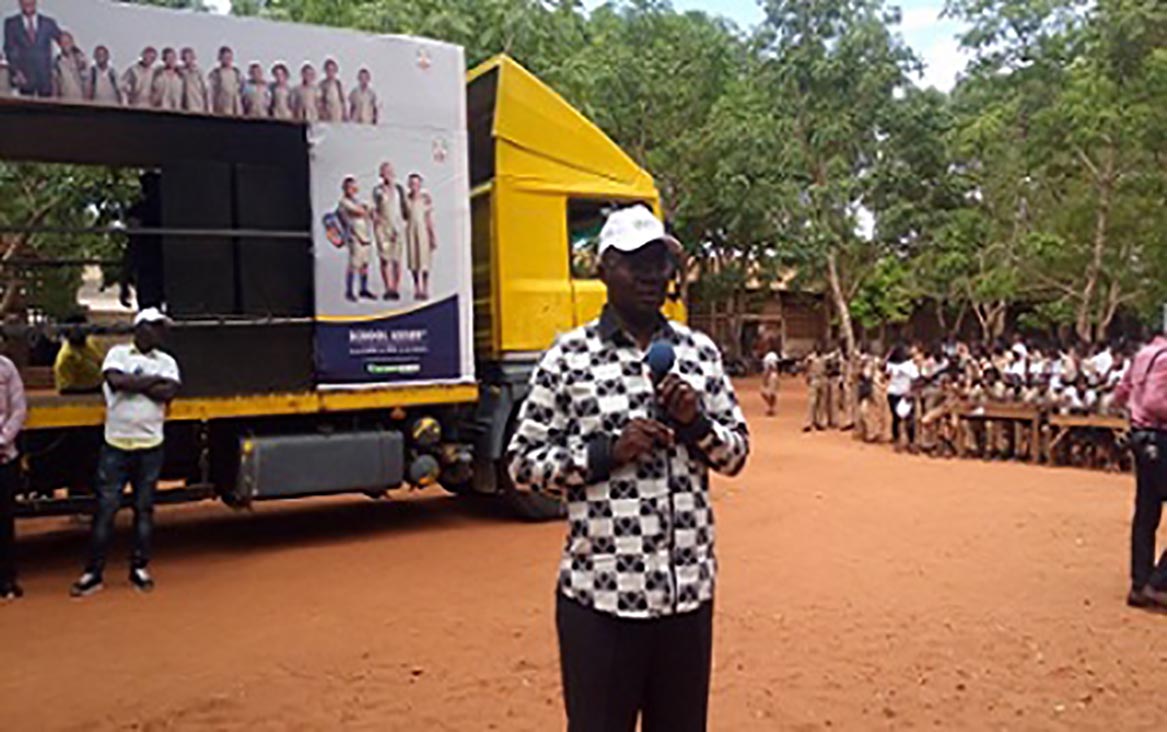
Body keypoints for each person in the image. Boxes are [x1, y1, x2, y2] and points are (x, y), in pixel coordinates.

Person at [507, 204, 749, 732]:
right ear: (603, 269)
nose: (649, 274)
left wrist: (695, 424)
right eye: (634, 261)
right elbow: (523, 465)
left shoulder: (698, 352)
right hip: (602, 600)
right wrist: (605, 453)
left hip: (686, 599)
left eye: (659, 261)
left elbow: (736, 455)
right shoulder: (568, 358)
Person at [71, 308, 180, 598]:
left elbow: (169, 391)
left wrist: (134, 384)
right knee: (106, 509)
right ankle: (93, 572)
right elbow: (115, 382)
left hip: (150, 445)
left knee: (144, 509)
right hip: (116, 444)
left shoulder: (167, 361)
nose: (160, 333)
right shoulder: (117, 354)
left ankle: (139, 568)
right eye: (156, 326)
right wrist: (151, 382)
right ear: (140, 328)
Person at [1114, 332, 1167, 610]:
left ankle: (1140, 583)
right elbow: (1155, 403)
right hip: (1161, 437)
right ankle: (1158, 583)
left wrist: (1135, 415)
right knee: (1146, 513)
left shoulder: (1144, 354)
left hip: (1141, 438)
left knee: (1146, 514)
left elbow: (1120, 393)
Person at [0, 333, 26, 601]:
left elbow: (18, 410)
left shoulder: (6, 368)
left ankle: (7, 580)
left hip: (4, 456)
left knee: (5, 520)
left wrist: (2, 440)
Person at [3, 0, 60, 97]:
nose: (28, 6)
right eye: (25, 3)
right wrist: (16, 71)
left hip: (45, 78)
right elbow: (9, 50)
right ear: (20, 3)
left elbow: (63, 41)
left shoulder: (48, 23)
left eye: (30, 3)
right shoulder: (12, 24)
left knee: (46, 104)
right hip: (24, 77)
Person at [372, 162, 407, 300]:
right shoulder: (377, 191)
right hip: (383, 227)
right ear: (381, 174)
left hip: (397, 226)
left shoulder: (399, 189)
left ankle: (396, 288)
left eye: (389, 171)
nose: (387, 175)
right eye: (385, 172)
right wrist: (376, 219)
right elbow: (374, 208)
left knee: (397, 259)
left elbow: (405, 207)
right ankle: (388, 288)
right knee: (385, 259)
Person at [338, 176, 375, 302]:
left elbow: (370, 211)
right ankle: (349, 291)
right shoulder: (344, 202)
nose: (353, 189)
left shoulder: (357, 201)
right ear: (345, 189)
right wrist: (366, 210)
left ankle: (363, 289)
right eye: (350, 187)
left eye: (354, 187)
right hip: (355, 236)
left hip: (365, 235)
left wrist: (367, 210)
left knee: (365, 264)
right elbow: (361, 212)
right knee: (354, 264)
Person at [54, 315, 105, 394]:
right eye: (77, 330)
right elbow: (65, 389)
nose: (82, 332)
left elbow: (101, 362)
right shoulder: (66, 356)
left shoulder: (92, 343)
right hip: (84, 397)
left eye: (85, 328)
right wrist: (95, 389)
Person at [405, 173, 436, 300]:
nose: (414, 186)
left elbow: (428, 218)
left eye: (417, 184)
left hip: (423, 232)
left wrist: (432, 236)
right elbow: (403, 215)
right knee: (414, 261)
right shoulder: (406, 200)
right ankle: (417, 288)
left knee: (425, 262)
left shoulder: (425, 199)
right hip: (411, 232)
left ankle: (425, 288)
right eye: (412, 183)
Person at [885, 344, 919, 451]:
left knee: (907, 419)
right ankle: (899, 441)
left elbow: (916, 379)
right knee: (898, 418)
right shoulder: (893, 364)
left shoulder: (909, 365)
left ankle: (909, 442)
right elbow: (886, 374)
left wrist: (911, 391)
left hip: (904, 394)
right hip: (895, 393)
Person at [208, 45, 242, 116]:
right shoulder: (215, 74)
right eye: (225, 58)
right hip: (220, 109)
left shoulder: (236, 73)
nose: (228, 60)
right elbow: (211, 93)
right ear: (220, 58)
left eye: (229, 58)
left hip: (233, 109)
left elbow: (239, 92)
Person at [51, 29, 85, 101]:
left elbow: (88, 83)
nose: (65, 45)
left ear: (72, 43)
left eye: (67, 42)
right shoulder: (56, 63)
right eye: (63, 43)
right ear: (59, 45)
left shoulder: (80, 59)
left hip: (80, 100)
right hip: (64, 100)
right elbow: (55, 84)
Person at [802, 342, 828, 432]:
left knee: (822, 402)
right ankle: (808, 423)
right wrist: (807, 376)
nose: (819, 349)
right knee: (812, 402)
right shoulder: (810, 358)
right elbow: (805, 367)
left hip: (823, 379)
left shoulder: (824, 358)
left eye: (820, 347)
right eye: (817, 347)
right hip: (814, 379)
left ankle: (820, 422)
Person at [150, 47, 182, 111]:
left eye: (173, 58)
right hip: (160, 109)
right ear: (164, 60)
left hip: (176, 110)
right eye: (168, 58)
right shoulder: (158, 75)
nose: (171, 60)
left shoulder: (180, 76)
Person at [179, 47, 208, 113]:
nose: (186, 60)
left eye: (188, 57)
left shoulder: (199, 72)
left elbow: (205, 90)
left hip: (198, 105)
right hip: (185, 106)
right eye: (184, 58)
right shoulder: (181, 72)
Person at [318, 57, 345, 122]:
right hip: (326, 112)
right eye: (329, 70)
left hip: (337, 113)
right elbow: (319, 101)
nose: (330, 72)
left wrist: (344, 113)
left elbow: (342, 100)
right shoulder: (322, 84)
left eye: (332, 70)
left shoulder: (338, 84)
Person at [761, 350, 780, 416]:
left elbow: (770, 367)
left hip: (770, 375)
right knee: (770, 393)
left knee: (768, 393)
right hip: (773, 375)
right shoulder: (771, 355)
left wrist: (765, 377)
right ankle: (771, 407)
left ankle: (770, 408)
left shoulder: (769, 356)